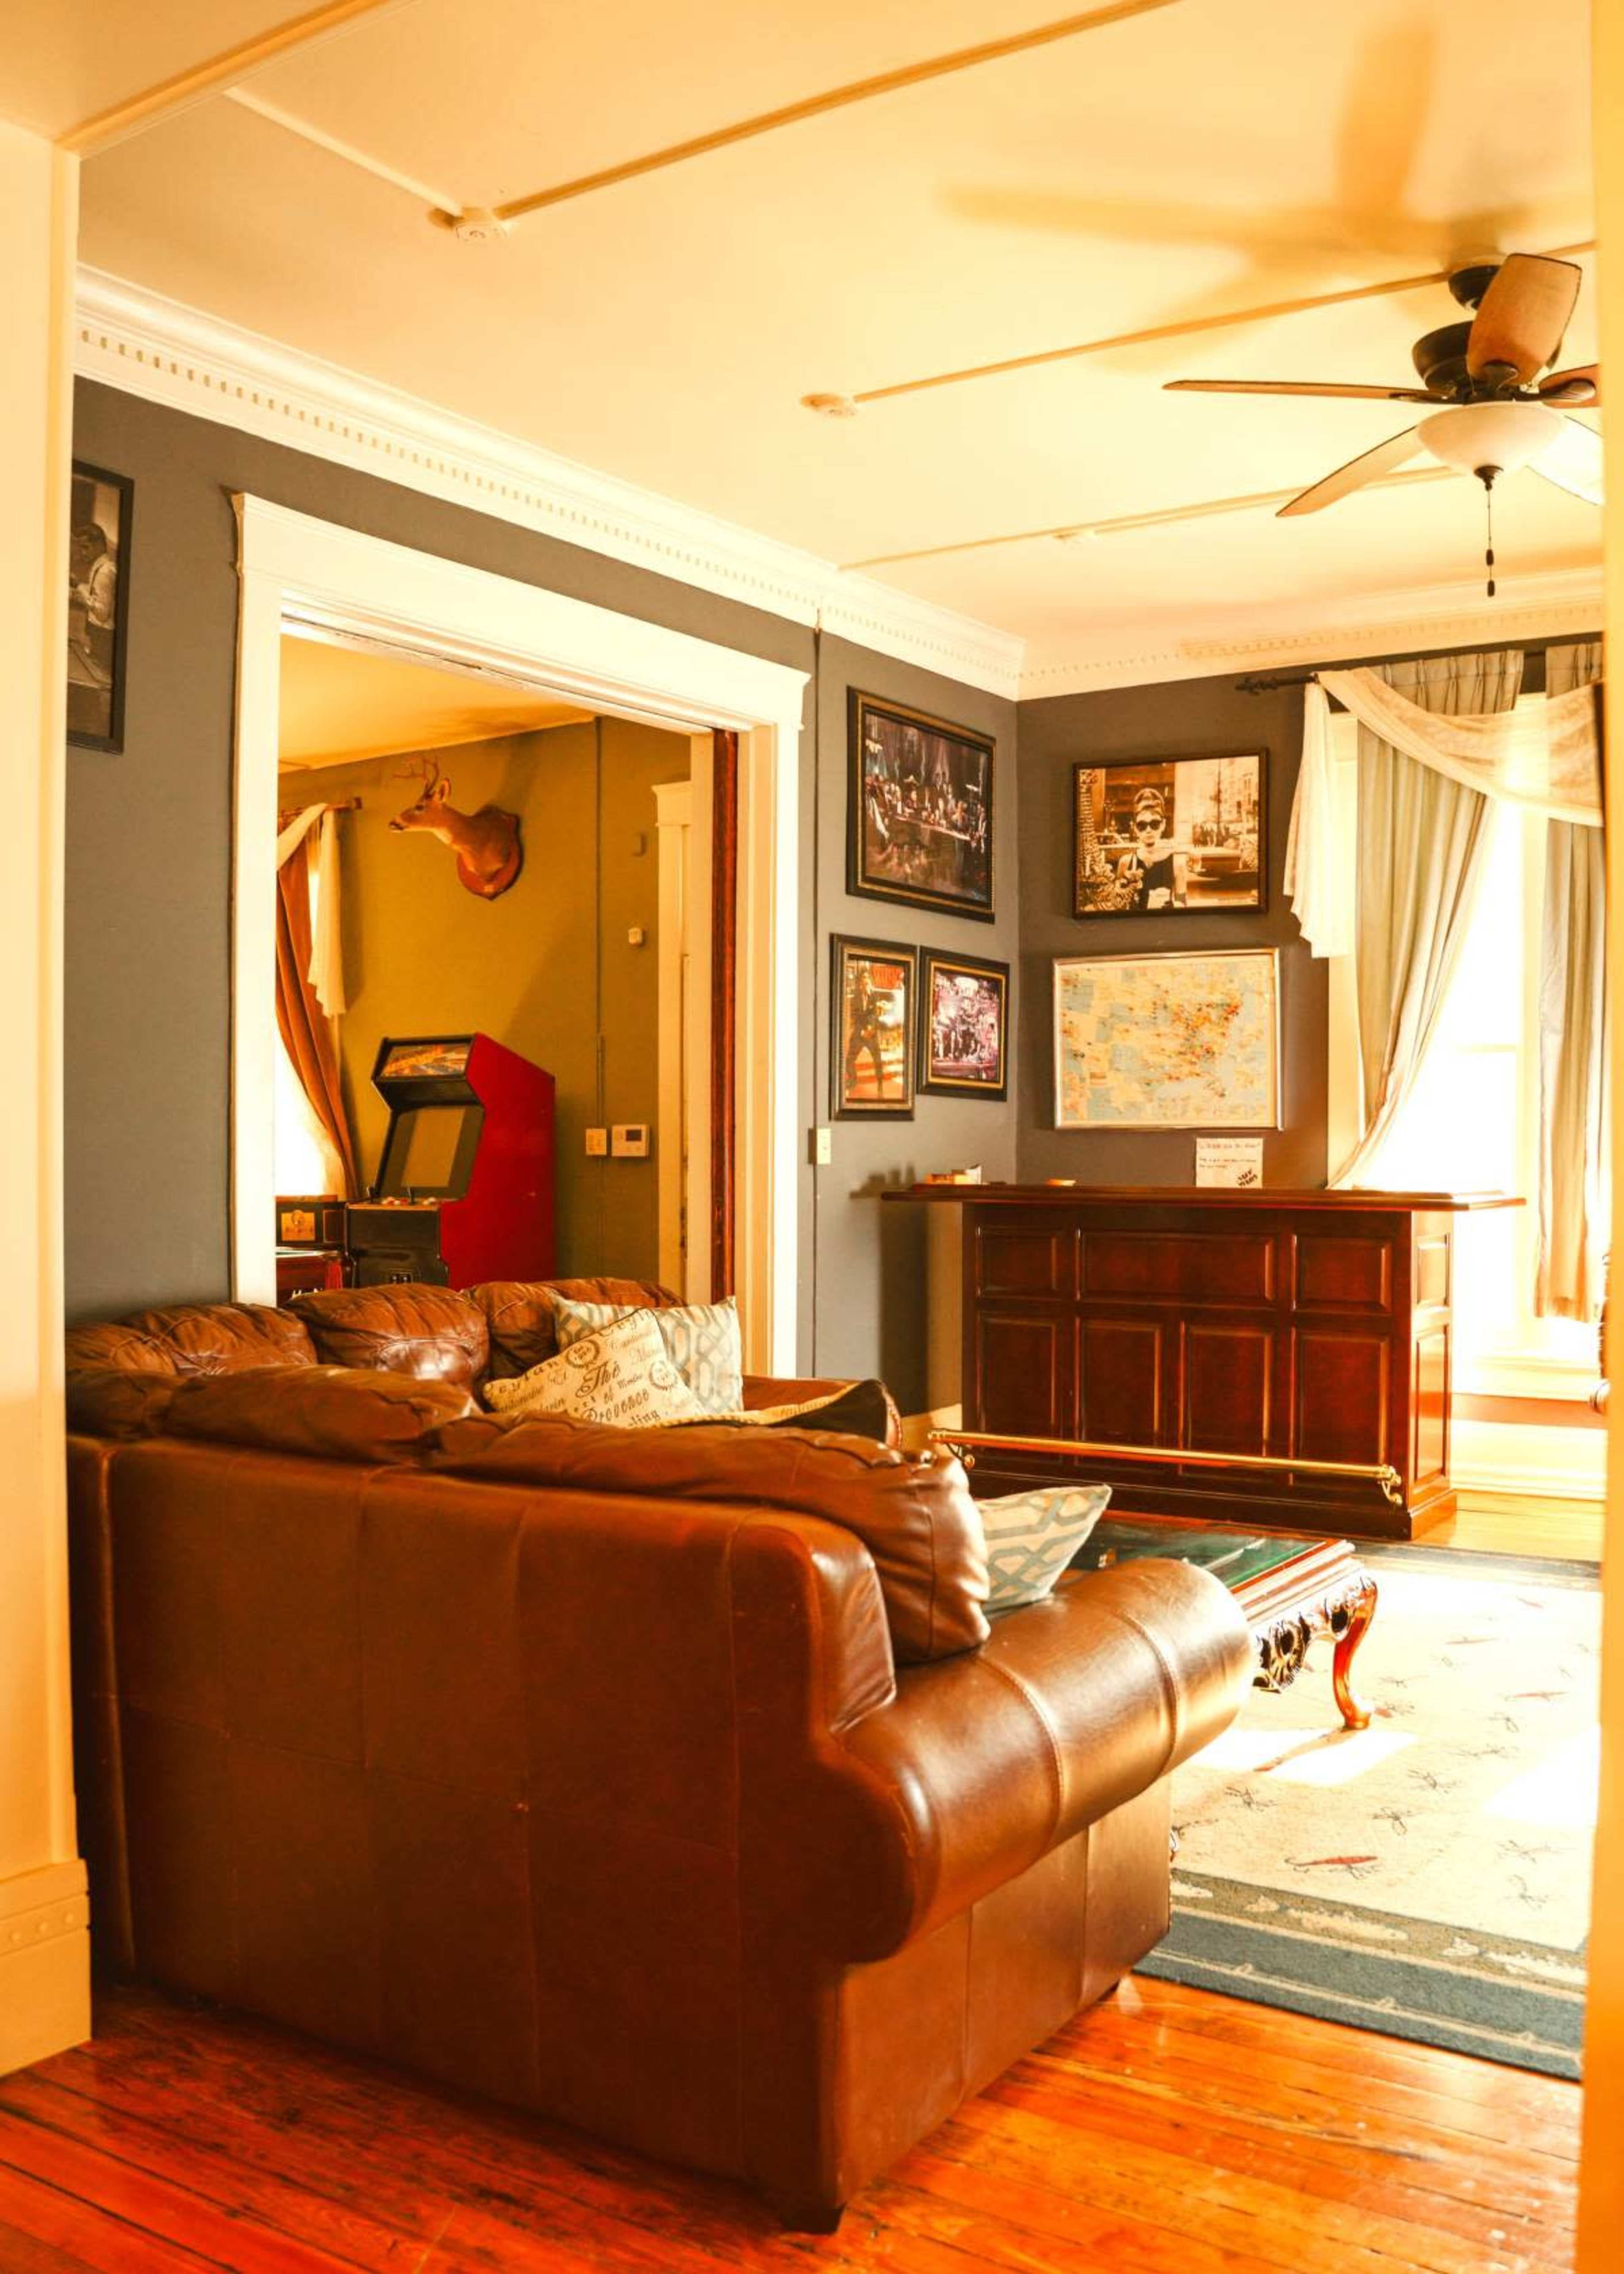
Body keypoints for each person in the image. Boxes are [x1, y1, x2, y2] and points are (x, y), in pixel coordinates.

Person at [1114, 785, 1186, 911]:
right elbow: (1117, 904)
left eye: (1154, 824)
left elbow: (1183, 903)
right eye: (1142, 825)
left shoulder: (1177, 863)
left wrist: (1171, 906)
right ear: (1136, 828)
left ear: (1163, 825)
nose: (1149, 830)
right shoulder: (1126, 862)